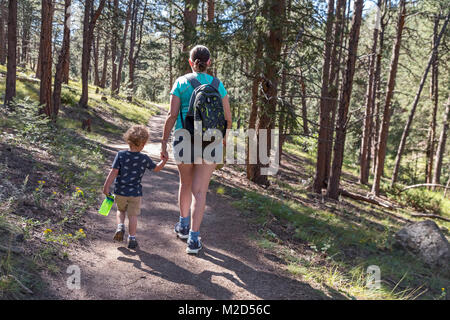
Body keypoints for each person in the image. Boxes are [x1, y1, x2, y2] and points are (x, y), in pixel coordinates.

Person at [160, 45, 232, 254]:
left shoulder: (181, 82)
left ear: (190, 62)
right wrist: (223, 140)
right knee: (200, 192)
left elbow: (172, 115)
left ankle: (182, 225)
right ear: (209, 63)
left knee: (185, 184)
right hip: (210, 141)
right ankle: (193, 239)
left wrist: (164, 141)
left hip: (183, 138)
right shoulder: (218, 85)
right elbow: (227, 119)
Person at [103, 125, 167, 249]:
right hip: (135, 193)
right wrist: (163, 161)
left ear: (128, 141)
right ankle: (132, 238)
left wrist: (106, 187)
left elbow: (113, 172)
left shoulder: (121, 155)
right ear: (143, 144)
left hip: (120, 191)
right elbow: (156, 168)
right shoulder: (144, 158)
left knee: (120, 211)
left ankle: (120, 226)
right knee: (133, 216)